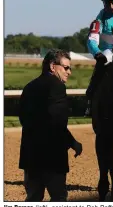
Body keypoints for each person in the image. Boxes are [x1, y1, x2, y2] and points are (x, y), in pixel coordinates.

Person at [19, 49, 83, 201]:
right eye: (66, 67)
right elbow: (57, 122)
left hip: (30, 155)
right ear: (53, 67)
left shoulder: (29, 87)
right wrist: (73, 142)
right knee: (59, 197)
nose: (69, 72)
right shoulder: (57, 86)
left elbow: (23, 119)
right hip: (51, 157)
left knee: (33, 198)